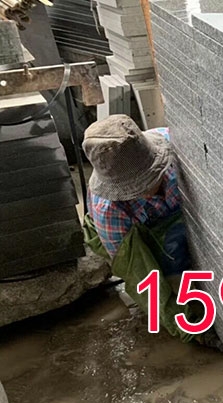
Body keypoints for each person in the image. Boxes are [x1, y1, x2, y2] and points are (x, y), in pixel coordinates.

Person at [82, 114, 204, 344]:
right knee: (171, 280)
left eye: (149, 179)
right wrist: (187, 327)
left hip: (175, 215)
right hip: (141, 236)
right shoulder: (109, 212)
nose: (146, 191)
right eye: (136, 188)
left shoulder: (175, 143)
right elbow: (141, 277)